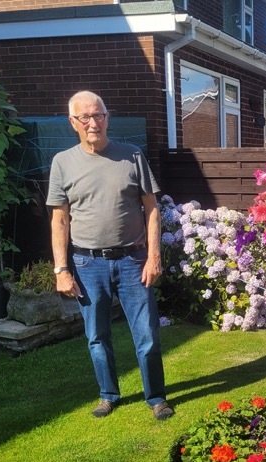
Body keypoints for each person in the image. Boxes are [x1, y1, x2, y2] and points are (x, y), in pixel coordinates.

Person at [47, 90, 173, 420]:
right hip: (87, 264)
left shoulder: (132, 156)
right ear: (72, 122)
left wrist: (154, 256)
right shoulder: (62, 162)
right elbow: (59, 218)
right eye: (85, 117)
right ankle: (108, 394)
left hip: (133, 260)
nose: (93, 123)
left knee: (146, 335)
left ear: (108, 118)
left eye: (99, 115)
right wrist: (62, 268)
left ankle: (156, 397)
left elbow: (152, 210)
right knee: (96, 336)